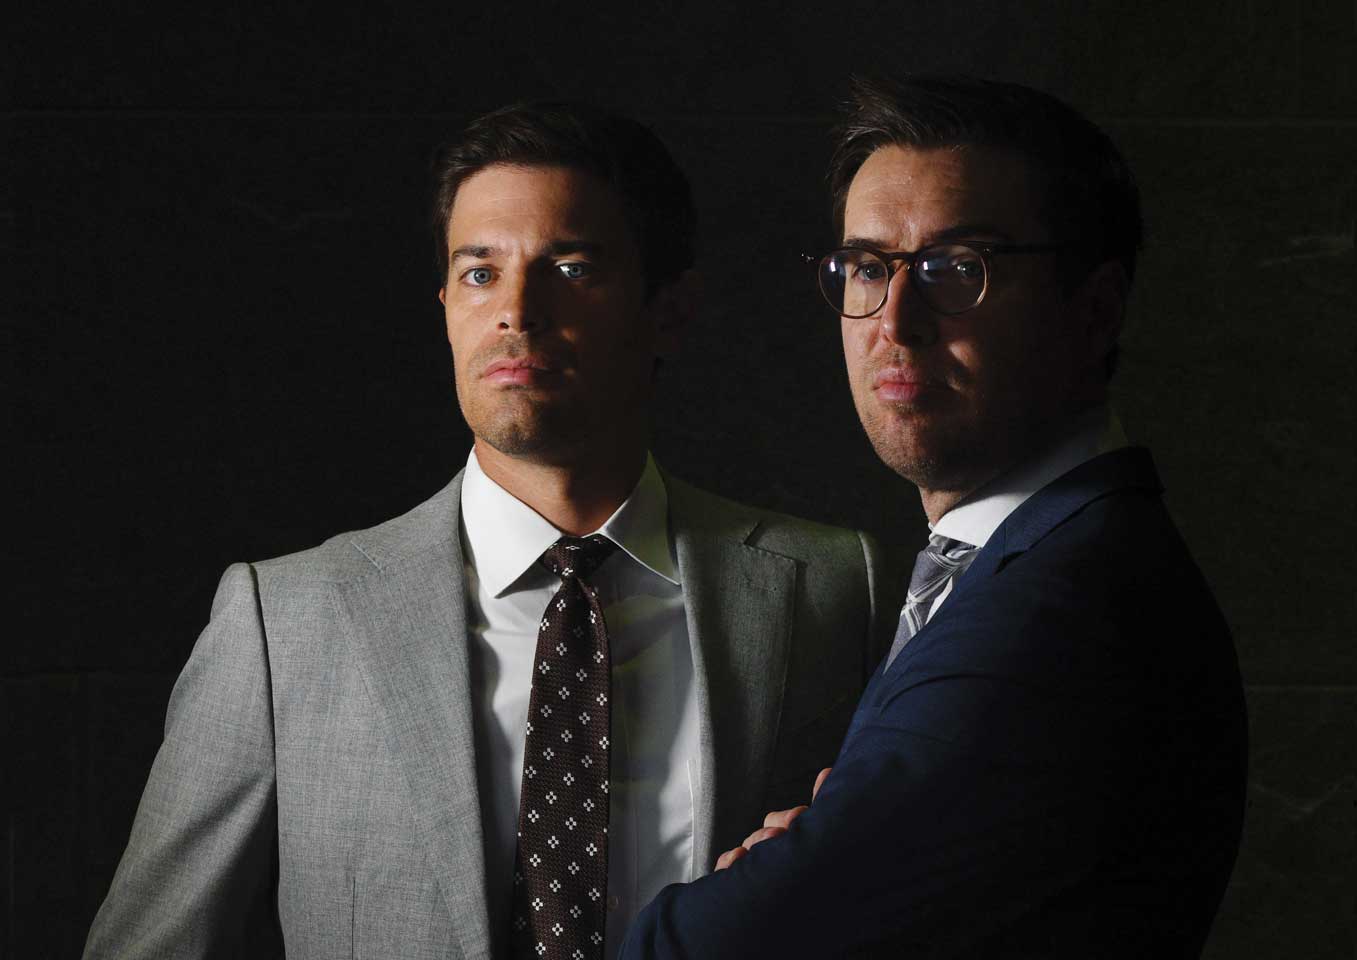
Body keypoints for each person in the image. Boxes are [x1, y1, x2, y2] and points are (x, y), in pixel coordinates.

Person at [84, 102, 890, 960]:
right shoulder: (284, 622)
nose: (516, 311)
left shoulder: (836, 587)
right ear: (443, 304)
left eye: (571, 268)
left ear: (670, 311)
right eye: (479, 273)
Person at [619, 74, 1248, 959]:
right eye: (870, 268)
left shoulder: (1059, 612)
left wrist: (765, 879)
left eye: (959, 270)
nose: (896, 321)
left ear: (1095, 309)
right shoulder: (1018, 565)